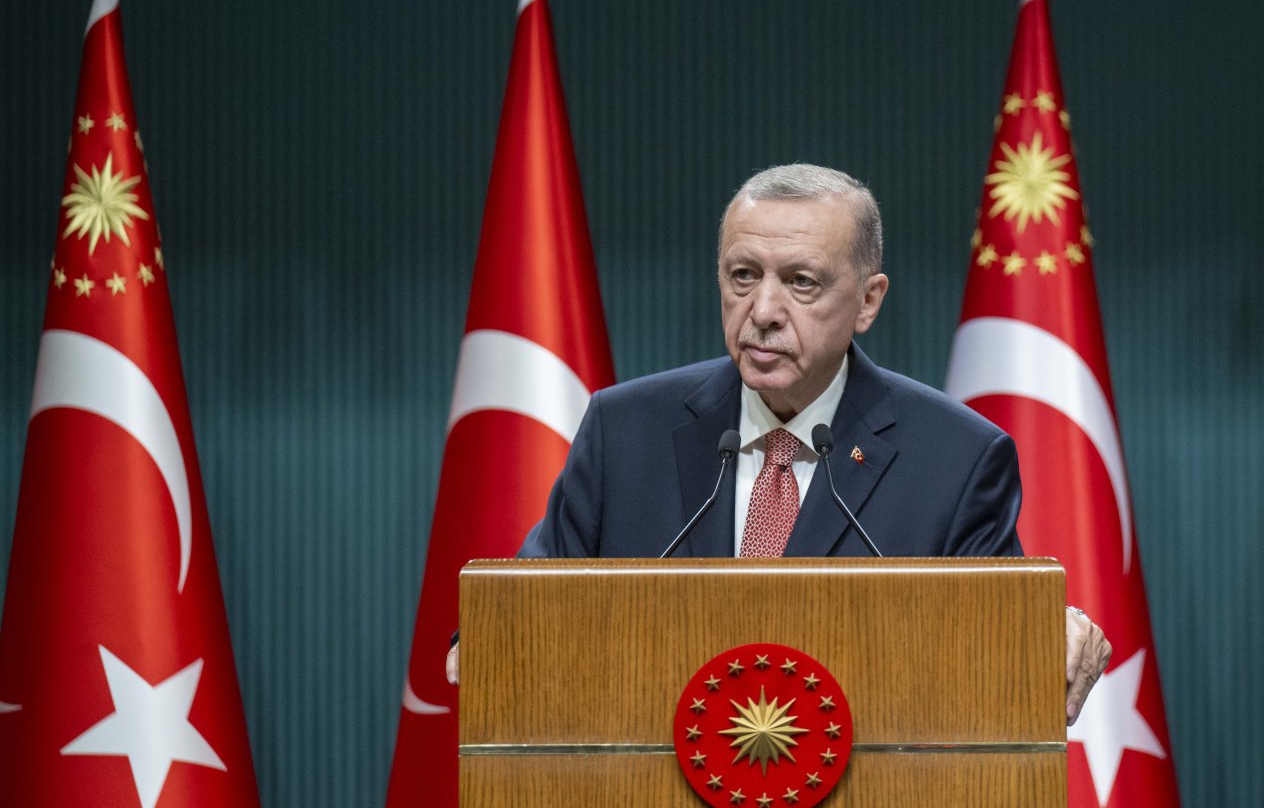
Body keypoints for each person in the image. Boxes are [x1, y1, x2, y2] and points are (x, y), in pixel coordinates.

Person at [447, 164, 1110, 723]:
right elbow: (522, 614)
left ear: (868, 300)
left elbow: (1003, 644)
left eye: (801, 281)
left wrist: (1043, 635)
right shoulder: (625, 431)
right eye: (742, 275)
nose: (762, 310)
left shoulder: (957, 459)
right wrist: (484, 640)